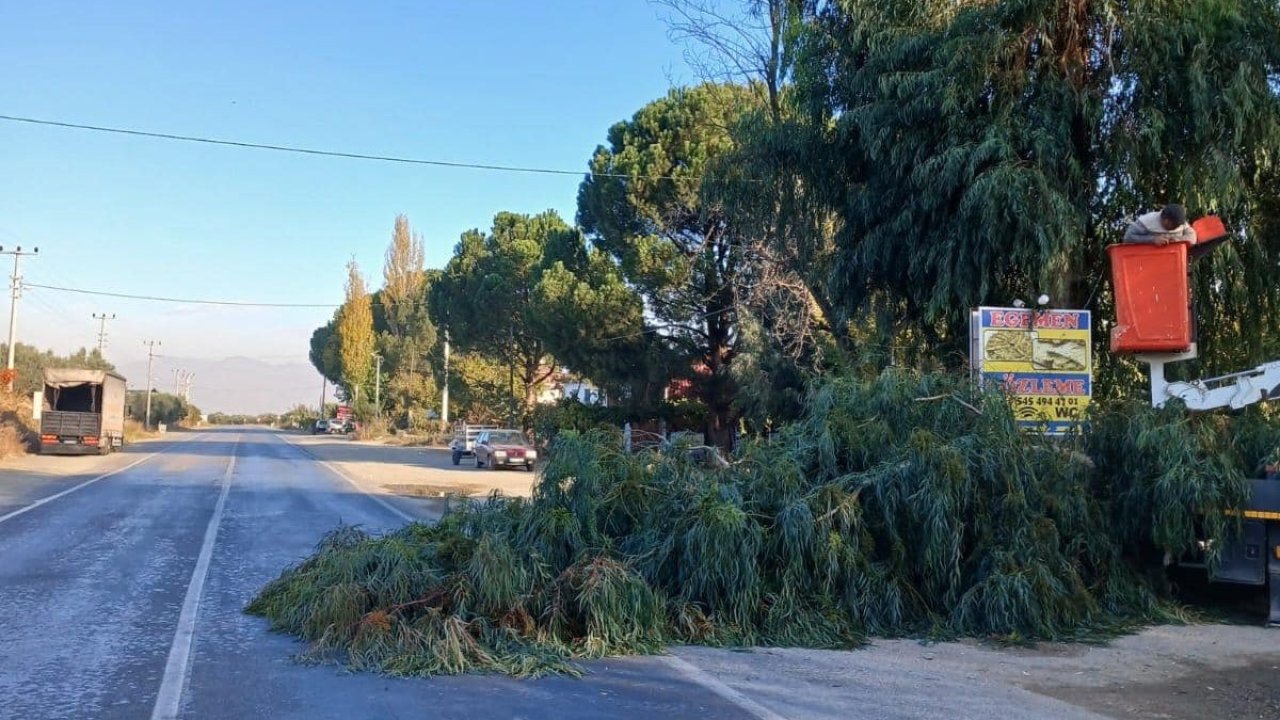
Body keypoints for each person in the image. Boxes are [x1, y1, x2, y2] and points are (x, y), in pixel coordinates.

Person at [1124, 204, 1196, 246]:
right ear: (1166, 221)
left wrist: (1178, 240)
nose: (1176, 228)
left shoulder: (1181, 223)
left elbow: (1192, 238)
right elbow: (1128, 237)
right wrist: (1152, 239)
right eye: (1174, 226)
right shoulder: (1146, 221)